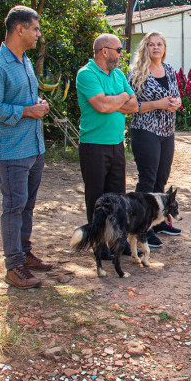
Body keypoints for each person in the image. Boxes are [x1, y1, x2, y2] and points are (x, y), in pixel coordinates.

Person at [0, 5, 52, 289]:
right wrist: (27, 111)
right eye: (35, 28)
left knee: (27, 205)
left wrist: (38, 106)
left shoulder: (25, 61)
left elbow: (27, 100)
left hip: (34, 147)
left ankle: (24, 251)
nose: (38, 34)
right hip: (11, 150)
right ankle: (14, 266)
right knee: (13, 207)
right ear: (19, 29)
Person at [76, 33, 138, 260]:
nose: (121, 54)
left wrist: (116, 100)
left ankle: (116, 242)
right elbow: (101, 105)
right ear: (104, 51)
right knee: (96, 198)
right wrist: (122, 96)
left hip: (116, 145)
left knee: (117, 198)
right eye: (118, 49)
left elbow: (134, 106)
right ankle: (98, 244)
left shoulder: (118, 74)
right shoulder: (86, 74)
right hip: (93, 146)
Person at [127, 31, 182, 248]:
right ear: (145, 48)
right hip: (145, 129)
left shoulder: (168, 69)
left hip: (167, 131)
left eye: (160, 44)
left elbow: (176, 95)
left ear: (164, 48)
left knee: (161, 179)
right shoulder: (136, 72)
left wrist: (175, 102)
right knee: (147, 180)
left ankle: (157, 222)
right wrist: (158, 104)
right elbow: (130, 106)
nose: (156, 48)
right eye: (151, 44)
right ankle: (142, 228)